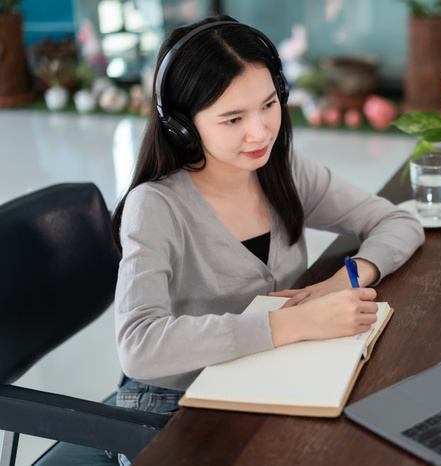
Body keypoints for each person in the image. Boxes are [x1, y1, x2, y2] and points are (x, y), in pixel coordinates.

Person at [110, 14, 424, 463]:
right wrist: (294, 323)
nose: (259, 133)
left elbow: (399, 222)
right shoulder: (156, 206)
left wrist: (349, 277)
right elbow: (139, 347)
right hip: (173, 403)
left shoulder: (284, 169)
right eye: (233, 118)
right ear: (181, 125)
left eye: (269, 104)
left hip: (265, 374)